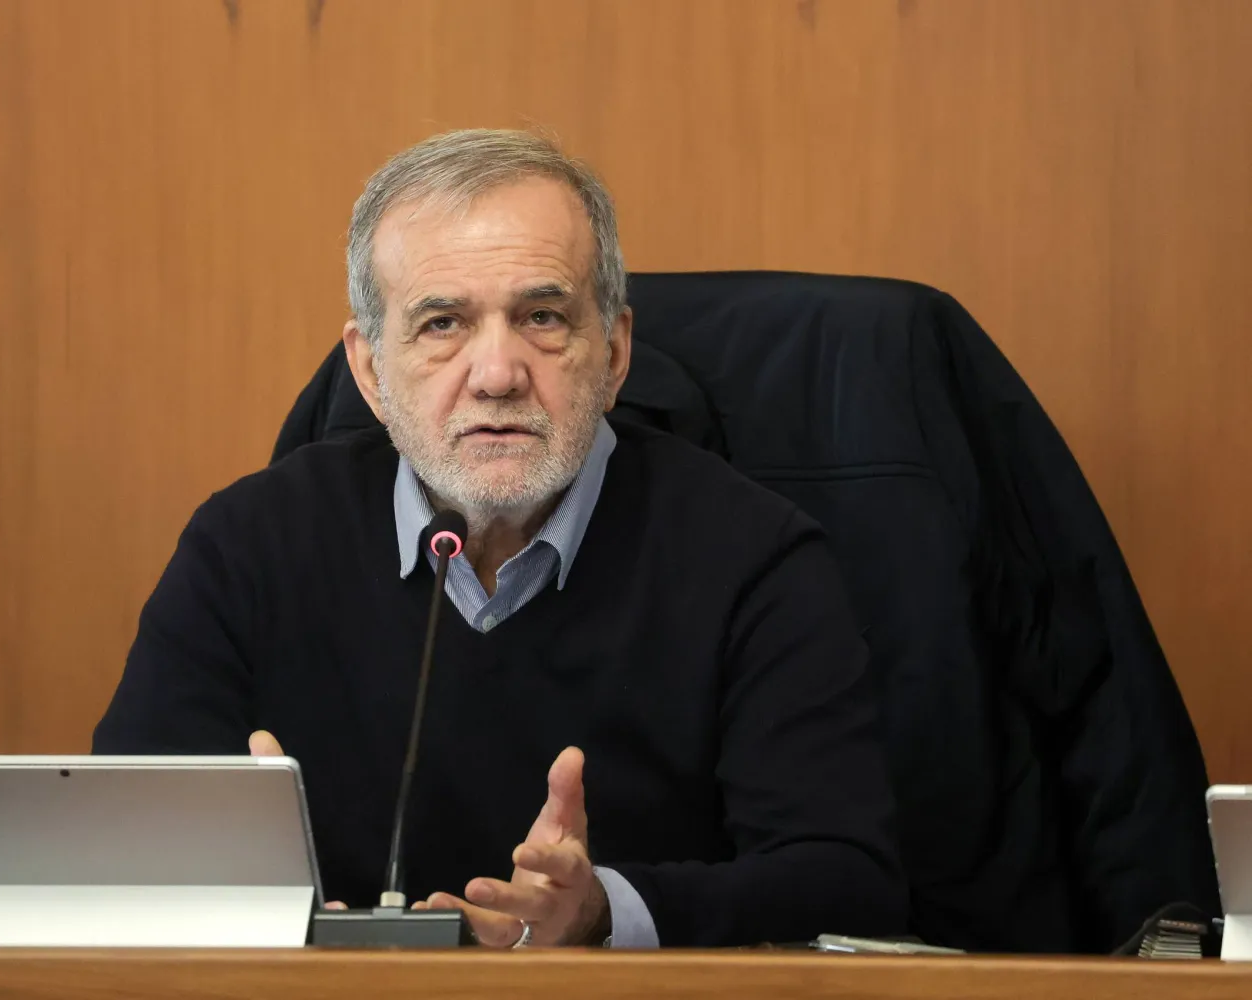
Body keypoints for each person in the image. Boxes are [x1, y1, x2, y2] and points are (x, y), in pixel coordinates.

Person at [93, 129, 907, 948]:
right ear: (370, 372)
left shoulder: (753, 557)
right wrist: (255, 901)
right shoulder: (248, 545)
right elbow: (109, 852)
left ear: (614, 352)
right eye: (442, 323)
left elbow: (848, 882)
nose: (496, 374)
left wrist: (604, 912)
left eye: (542, 318)